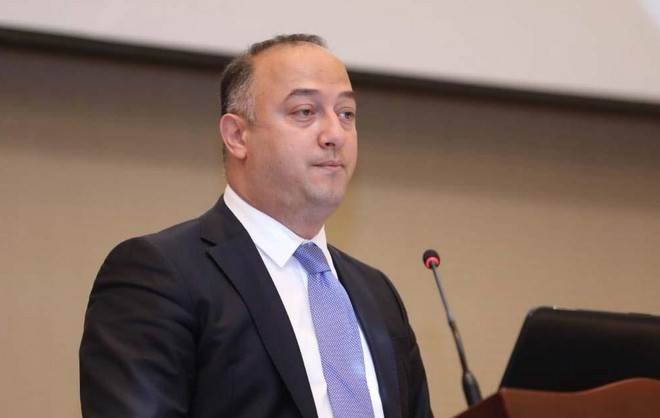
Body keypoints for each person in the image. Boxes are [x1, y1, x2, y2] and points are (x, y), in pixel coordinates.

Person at [79, 34, 432, 418]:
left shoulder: (376, 292)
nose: (335, 134)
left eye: (346, 114)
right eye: (305, 111)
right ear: (237, 136)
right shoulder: (159, 275)